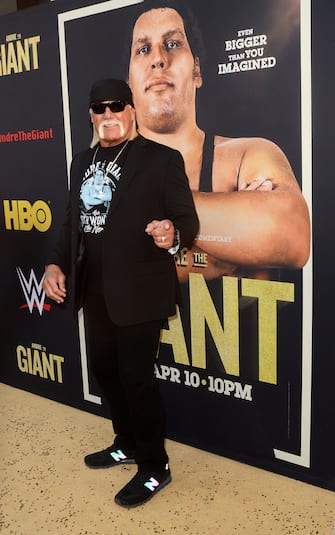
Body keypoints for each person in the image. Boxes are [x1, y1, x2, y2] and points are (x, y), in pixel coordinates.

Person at [43, 78, 199, 507]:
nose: (108, 115)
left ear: (131, 110)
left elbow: (187, 220)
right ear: (92, 116)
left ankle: (154, 466)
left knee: (135, 378)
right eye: (99, 108)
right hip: (95, 290)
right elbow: (70, 221)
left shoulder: (161, 160)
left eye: (116, 106)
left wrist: (172, 234)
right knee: (106, 373)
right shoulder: (83, 162)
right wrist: (56, 263)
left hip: (140, 291)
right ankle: (126, 442)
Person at [127, 1, 310, 281]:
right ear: (129, 82)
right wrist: (230, 250)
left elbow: (292, 238)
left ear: (197, 71)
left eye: (173, 43)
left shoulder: (248, 154)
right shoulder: (105, 174)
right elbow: (122, 272)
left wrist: (143, 204)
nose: (158, 59)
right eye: (143, 49)